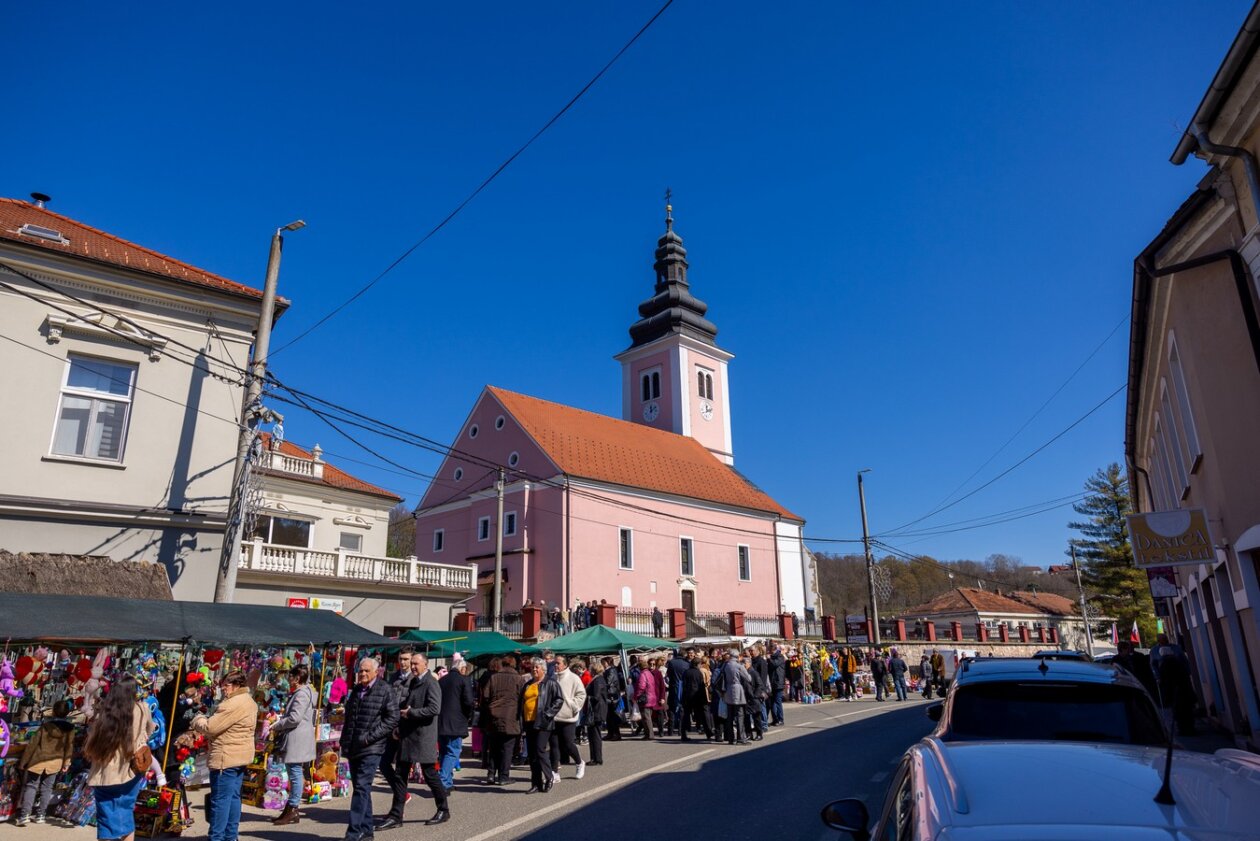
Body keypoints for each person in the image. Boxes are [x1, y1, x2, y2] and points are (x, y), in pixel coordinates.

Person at [379, 652, 444, 830]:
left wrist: (411, 713)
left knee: (430, 774)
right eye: (411, 663)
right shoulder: (414, 681)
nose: (413, 666)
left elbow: (434, 708)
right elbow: (406, 706)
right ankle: (396, 815)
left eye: (416, 663)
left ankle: (443, 809)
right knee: (400, 775)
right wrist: (398, 728)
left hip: (423, 737)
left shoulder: (431, 683)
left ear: (425, 664)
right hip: (407, 736)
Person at [85, 675, 153, 841]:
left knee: (106, 818)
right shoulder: (143, 708)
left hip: (106, 772)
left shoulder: (106, 711)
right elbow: (151, 729)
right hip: (132, 769)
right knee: (126, 813)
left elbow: (93, 735)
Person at [191, 670, 257, 841]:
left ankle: (217, 837)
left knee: (220, 801)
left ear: (236, 685)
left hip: (225, 758)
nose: (223, 688)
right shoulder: (249, 701)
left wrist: (198, 719)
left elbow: (211, 727)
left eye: (226, 685)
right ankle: (231, 836)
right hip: (239, 756)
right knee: (233, 798)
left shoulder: (232, 704)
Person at [341, 657, 400, 841]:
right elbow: (350, 718)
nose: (363, 674)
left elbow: (392, 718)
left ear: (376, 672)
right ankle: (367, 831)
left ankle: (353, 832)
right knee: (361, 788)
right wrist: (345, 741)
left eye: (367, 671)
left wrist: (370, 737)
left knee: (361, 788)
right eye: (361, 671)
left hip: (371, 747)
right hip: (353, 747)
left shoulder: (384, 689)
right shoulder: (357, 690)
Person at [14, 700, 74, 826]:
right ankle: (41, 815)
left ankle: (25, 815)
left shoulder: (45, 726)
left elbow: (32, 745)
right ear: (67, 713)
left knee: (31, 787)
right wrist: (66, 763)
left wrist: (23, 762)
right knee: (47, 789)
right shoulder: (70, 729)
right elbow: (69, 747)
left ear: (53, 711)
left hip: (38, 761)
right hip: (55, 762)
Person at [271, 665, 317, 827]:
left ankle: (293, 808)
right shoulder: (302, 692)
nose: (288, 679)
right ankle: (290, 809)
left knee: (295, 772)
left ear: (297, 678)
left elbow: (295, 718)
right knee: (294, 771)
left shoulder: (302, 694)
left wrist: (278, 724)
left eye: (291, 676)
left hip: (297, 739)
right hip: (298, 738)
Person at [521, 658, 563, 793]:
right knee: (532, 754)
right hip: (529, 722)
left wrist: (548, 714)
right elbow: (521, 702)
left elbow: (559, 699)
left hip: (543, 722)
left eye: (537, 668)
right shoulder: (528, 684)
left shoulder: (550, 683)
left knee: (540, 749)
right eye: (533, 667)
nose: (534, 670)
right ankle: (536, 784)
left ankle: (549, 776)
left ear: (543, 669)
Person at [482, 653, 525, 785]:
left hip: (494, 716)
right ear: (514, 665)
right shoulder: (519, 679)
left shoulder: (494, 677)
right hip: (511, 717)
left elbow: (486, 695)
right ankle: (503, 776)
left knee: (494, 747)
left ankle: (490, 774)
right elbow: (523, 699)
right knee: (507, 748)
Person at [437, 659, 476, 795]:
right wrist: (468, 715)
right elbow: (469, 701)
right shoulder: (463, 680)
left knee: (444, 752)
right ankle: (443, 782)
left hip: (441, 721)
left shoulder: (442, 680)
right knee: (453, 752)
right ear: (463, 669)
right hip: (456, 722)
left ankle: (448, 781)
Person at [718, 650, 751, 745]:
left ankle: (731, 738)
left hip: (728, 690)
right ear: (737, 656)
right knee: (740, 715)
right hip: (737, 689)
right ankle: (741, 738)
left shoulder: (726, 665)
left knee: (730, 716)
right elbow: (748, 678)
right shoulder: (738, 666)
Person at [682, 655, 713, 741]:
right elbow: (701, 686)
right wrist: (704, 698)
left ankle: (683, 734)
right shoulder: (698, 673)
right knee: (703, 715)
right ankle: (708, 733)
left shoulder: (686, 672)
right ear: (698, 664)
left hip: (687, 696)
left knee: (686, 715)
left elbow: (683, 685)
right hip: (697, 696)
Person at [584, 662, 607, 765]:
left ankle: (597, 758)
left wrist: (587, 697)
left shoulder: (597, 680)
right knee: (593, 735)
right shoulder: (600, 679)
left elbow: (596, 697)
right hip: (598, 710)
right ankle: (595, 757)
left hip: (596, 711)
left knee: (595, 735)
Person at [666, 648, 691, 736]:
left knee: (672, 709)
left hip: (673, 687)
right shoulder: (687, 664)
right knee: (682, 710)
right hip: (683, 688)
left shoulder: (671, 663)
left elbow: (668, 675)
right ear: (684, 655)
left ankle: (670, 730)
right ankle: (681, 730)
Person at [601, 656, 624, 741]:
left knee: (613, 716)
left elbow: (608, 682)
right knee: (609, 716)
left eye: (604, 663)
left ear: (608, 662)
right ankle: (610, 733)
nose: (602, 664)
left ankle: (616, 734)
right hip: (609, 695)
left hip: (612, 696)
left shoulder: (611, 670)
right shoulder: (608, 671)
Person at [768, 646, 786, 725]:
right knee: (772, 703)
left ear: (774, 650)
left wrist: (769, 659)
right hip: (772, 682)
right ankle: (775, 719)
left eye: (771, 650)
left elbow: (775, 664)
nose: (770, 652)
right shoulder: (772, 658)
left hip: (778, 682)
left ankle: (781, 719)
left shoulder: (780, 657)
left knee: (778, 701)